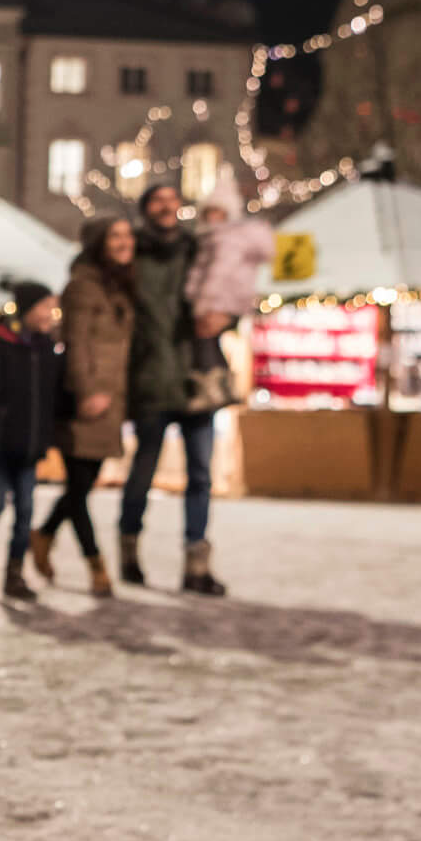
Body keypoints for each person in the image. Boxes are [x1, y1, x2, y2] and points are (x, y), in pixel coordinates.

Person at [119, 181, 225, 596]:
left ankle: (195, 566)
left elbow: (229, 295)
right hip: (151, 377)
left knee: (200, 475)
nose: (166, 207)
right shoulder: (132, 253)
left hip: (198, 377)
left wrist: (225, 321)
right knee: (142, 472)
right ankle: (129, 552)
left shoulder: (199, 250)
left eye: (171, 200)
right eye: (157, 201)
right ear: (146, 209)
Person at [32, 218, 137, 596]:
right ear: (99, 243)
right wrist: (87, 391)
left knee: (82, 486)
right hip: (87, 400)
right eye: (116, 236)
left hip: (112, 400)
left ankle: (43, 535)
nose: (125, 243)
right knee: (78, 488)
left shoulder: (120, 286)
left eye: (128, 235)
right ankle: (97, 567)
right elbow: (75, 343)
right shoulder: (82, 287)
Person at [0, 282, 63, 602]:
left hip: (30, 447)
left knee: (25, 513)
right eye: (44, 307)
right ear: (28, 309)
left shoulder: (47, 347)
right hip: (0, 446)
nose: (49, 314)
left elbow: (53, 397)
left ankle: (14, 575)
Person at [182, 164, 274, 411]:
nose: (213, 217)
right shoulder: (207, 240)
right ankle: (218, 389)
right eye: (209, 212)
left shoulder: (227, 241)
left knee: (205, 347)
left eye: (217, 212)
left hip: (217, 303)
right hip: (214, 303)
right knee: (207, 347)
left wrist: (203, 305)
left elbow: (217, 276)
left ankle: (215, 389)